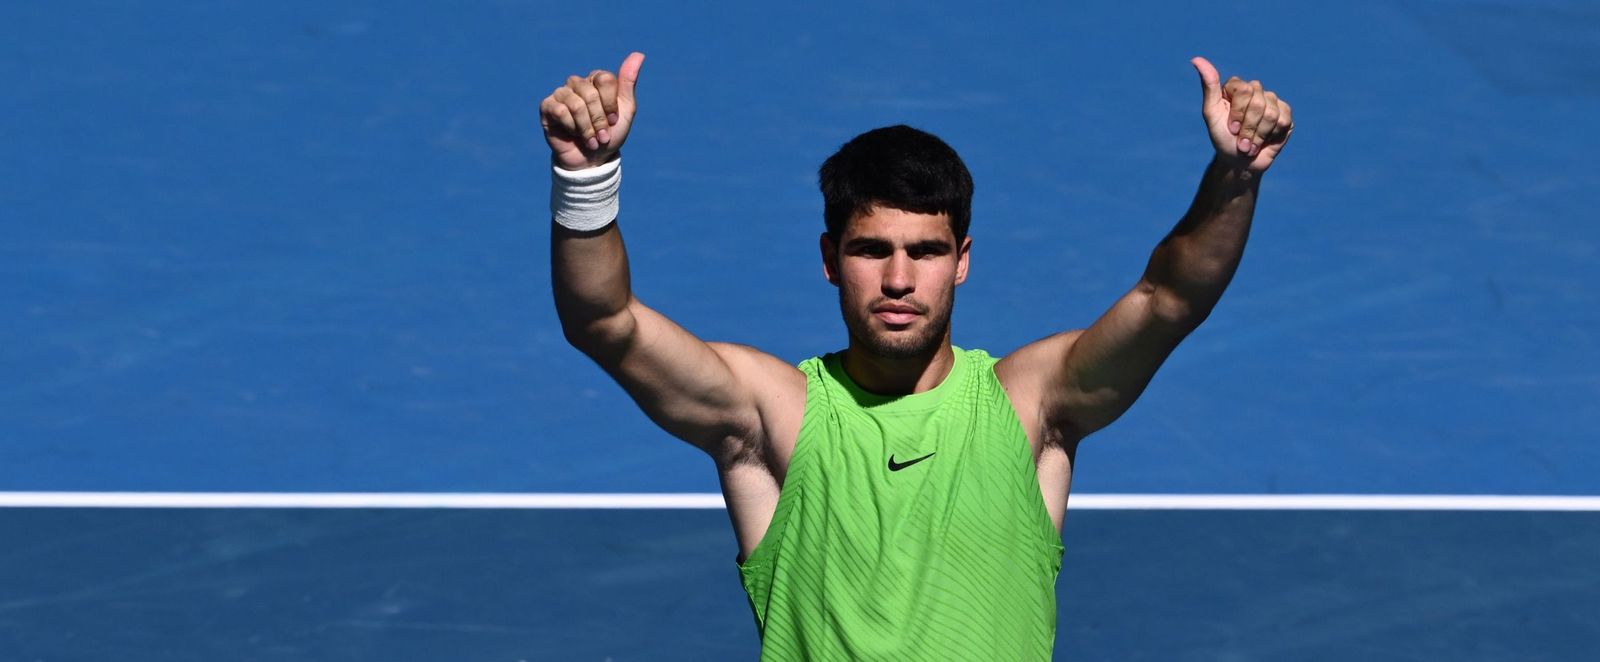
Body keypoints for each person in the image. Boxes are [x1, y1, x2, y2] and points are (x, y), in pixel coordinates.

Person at [540, 51, 1292, 661]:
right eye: (872, 250)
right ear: (831, 258)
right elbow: (605, 321)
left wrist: (1234, 176)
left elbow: (1170, 299)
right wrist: (586, 177)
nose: (899, 280)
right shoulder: (774, 414)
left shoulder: (1031, 406)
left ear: (961, 260)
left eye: (925, 252)